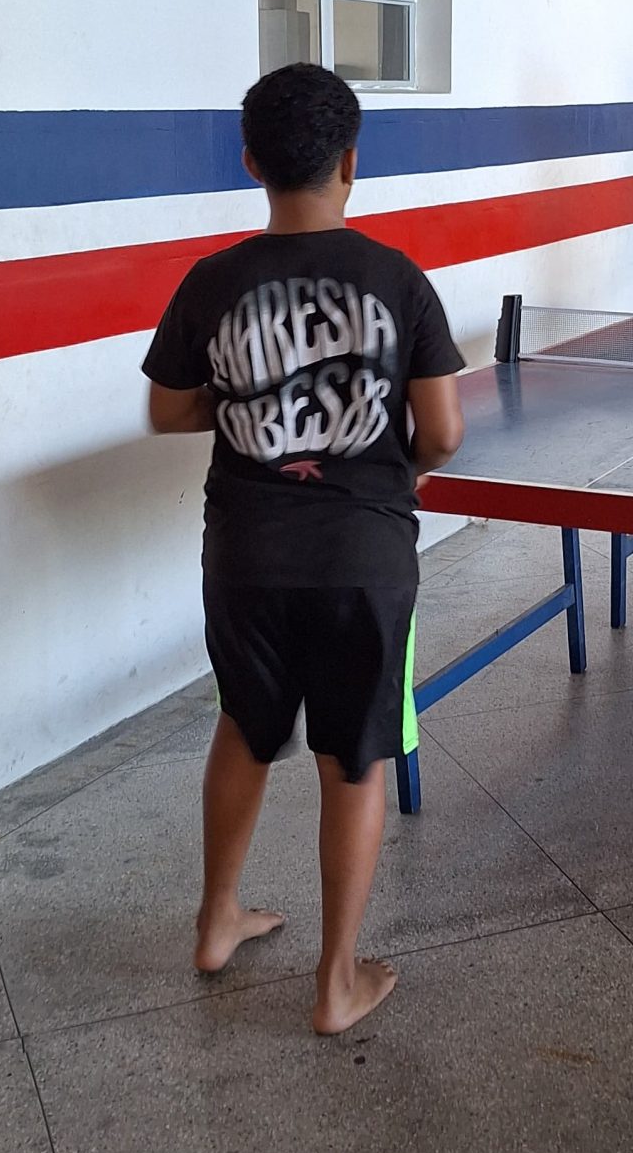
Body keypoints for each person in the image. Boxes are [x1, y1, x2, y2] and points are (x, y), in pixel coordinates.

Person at [143, 63, 465, 1035]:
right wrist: (397, 467)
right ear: (351, 162)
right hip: (363, 557)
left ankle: (215, 921)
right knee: (354, 760)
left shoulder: (211, 281)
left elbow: (168, 410)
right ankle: (335, 982)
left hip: (244, 555)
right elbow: (443, 432)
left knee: (244, 726)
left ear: (251, 163)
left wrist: (258, 410)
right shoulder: (397, 280)